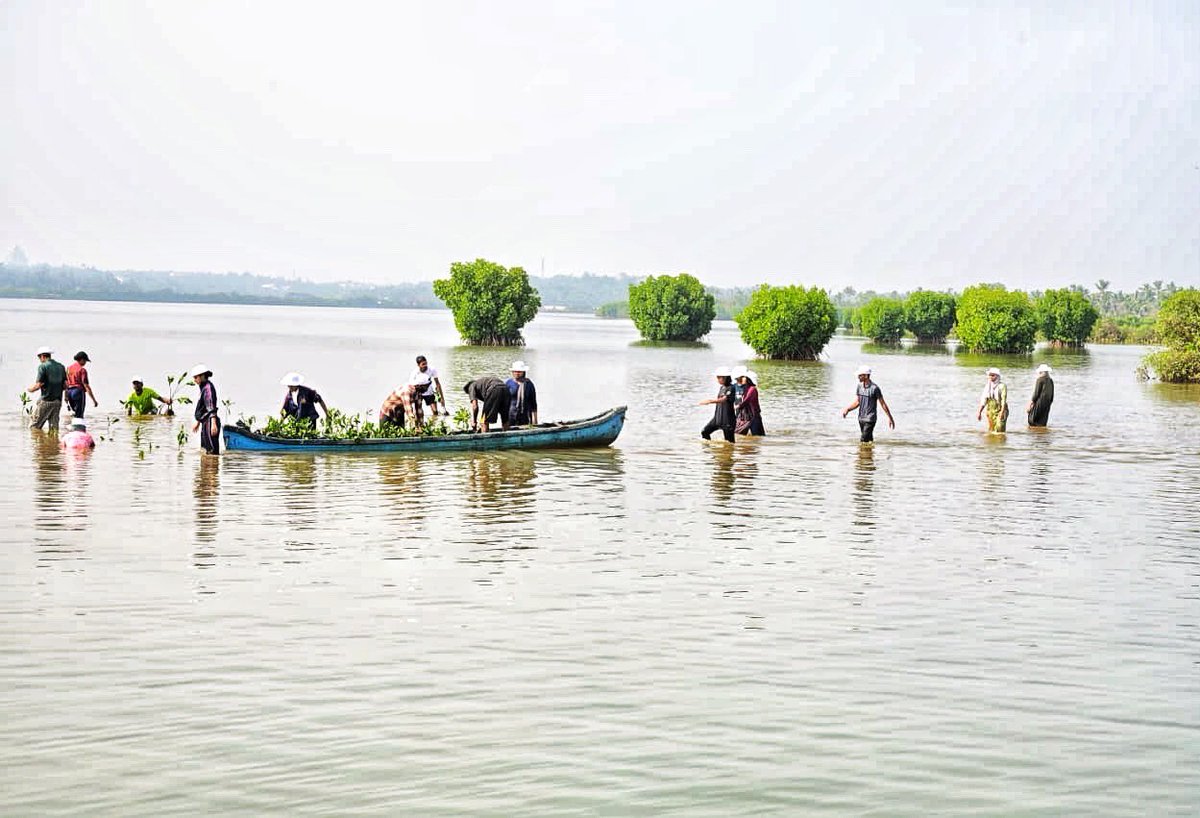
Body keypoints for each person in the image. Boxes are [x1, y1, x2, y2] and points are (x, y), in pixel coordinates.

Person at [842, 365, 895, 443]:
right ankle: (869, 454)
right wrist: (847, 409)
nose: (858, 377)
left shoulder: (875, 388)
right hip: (861, 418)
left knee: (863, 440)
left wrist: (890, 418)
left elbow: (883, 404)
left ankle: (861, 454)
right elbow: (857, 402)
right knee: (868, 440)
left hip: (870, 419)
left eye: (860, 375)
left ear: (866, 376)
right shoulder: (859, 386)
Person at [27, 346, 67, 431]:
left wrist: (30, 389)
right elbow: (65, 386)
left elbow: (39, 384)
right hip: (58, 401)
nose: (39, 359)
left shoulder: (43, 366)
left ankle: (36, 444)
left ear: (42, 356)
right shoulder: (61, 366)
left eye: (39, 357)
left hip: (46, 400)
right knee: (54, 428)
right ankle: (53, 443)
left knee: (34, 427)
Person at [699, 367, 736, 442]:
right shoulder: (722, 388)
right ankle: (709, 451)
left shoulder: (731, 388)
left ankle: (729, 453)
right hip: (717, 418)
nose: (718, 379)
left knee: (730, 442)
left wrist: (710, 401)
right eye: (717, 377)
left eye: (719, 377)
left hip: (727, 420)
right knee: (704, 432)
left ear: (725, 377)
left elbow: (724, 399)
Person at [190, 364, 221, 454]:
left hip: (210, 422)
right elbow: (204, 408)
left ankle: (212, 467)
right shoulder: (203, 387)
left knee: (212, 451)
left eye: (196, 377)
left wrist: (213, 424)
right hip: (206, 422)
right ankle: (207, 467)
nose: (194, 380)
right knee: (205, 450)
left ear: (202, 376)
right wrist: (198, 423)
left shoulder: (208, 389)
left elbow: (211, 406)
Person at [64, 351, 98, 419]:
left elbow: (66, 383)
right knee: (79, 414)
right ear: (82, 359)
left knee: (74, 412)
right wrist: (94, 400)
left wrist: (66, 396)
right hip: (78, 392)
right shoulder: (82, 370)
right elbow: (86, 385)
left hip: (69, 392)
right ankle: (79, 428)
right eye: (85, 361)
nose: (85, 363)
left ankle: (72, 427)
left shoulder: (68, 368)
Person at [505, 360, 539, 426]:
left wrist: (535, 420)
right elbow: (503, 401)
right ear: (512, 372)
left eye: (519, 371)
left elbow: (533, 403)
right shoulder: (508, 383)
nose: (517, 373)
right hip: (511, 414)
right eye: (515, 371)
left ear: (523, 372)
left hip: (525, 415)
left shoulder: (529, 384)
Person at [977, 367, 1008, 433]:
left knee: (1000, 428)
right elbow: (984, 400)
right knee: (992, 430)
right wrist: (979, 412)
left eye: (993, 375)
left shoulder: (1002, 386)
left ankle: (1001, 442)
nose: (990, 377)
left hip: (1000, 409)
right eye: (990, 375)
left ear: (997, 376)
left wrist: (1002, 412)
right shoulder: (987, 386)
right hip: (990, 410)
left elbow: (1003, 400)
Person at [735, 369, 766, 436]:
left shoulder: (752, 389)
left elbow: (747, 400)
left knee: (758, 436)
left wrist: (737, 406)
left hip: (754, 416)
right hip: (746, 416)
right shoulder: (745, 388)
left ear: (748, 379)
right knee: (739, 435)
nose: (742, 378)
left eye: (744, 377)